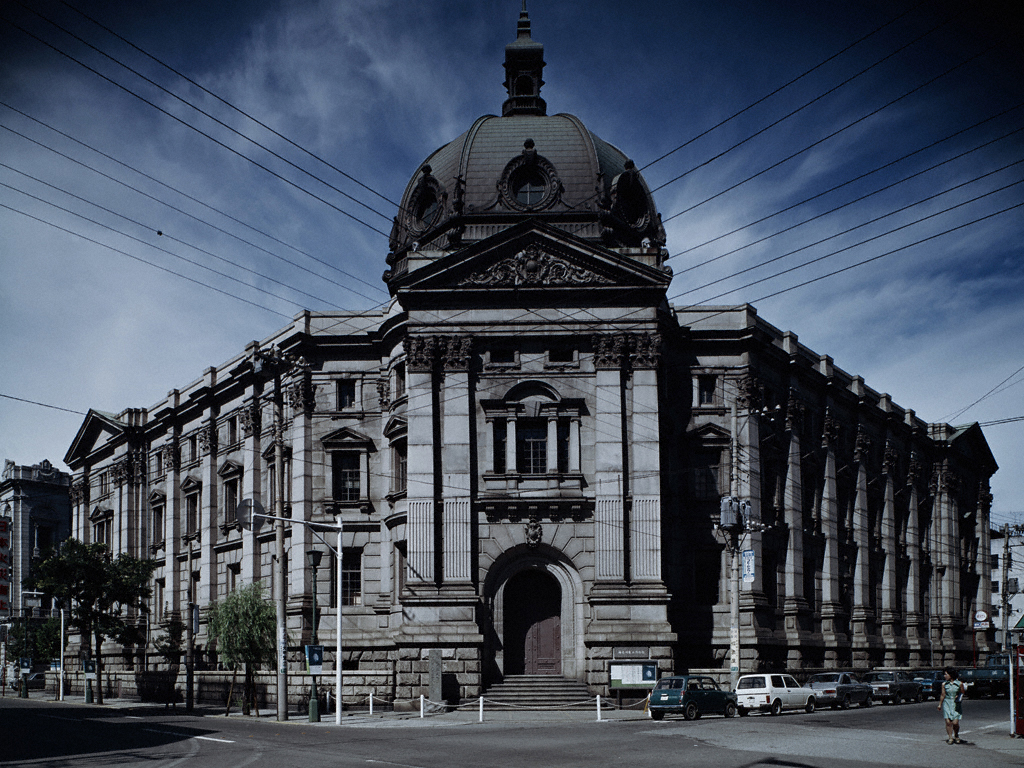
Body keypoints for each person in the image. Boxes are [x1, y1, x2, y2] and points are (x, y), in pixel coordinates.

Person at [937, 666, 966, 744]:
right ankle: (950, 737)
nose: (944, 676)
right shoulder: (944, 684)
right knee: (948, 722)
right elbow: (943, 694)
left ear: (951, 675)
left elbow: (962, 692)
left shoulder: (959, 684)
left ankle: (956, 735)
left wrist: (958, 695)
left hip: (956, 704)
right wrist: (940, 704)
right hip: (947, 703)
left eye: (946, 674)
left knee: (955, 722)